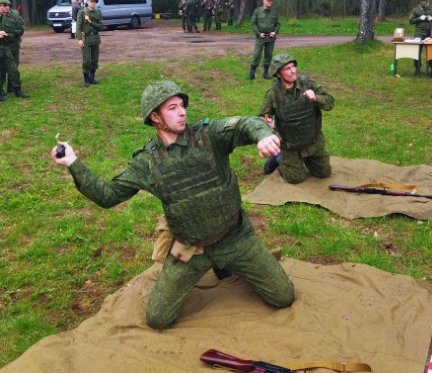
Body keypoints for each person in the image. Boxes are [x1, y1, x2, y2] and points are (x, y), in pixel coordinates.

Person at [51, 81, 295, 330]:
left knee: (284, 297)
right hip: (191, 248)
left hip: (236, 238)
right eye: (172, 108)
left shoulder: (208, 136)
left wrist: (263, 135)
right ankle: (221, 266)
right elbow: (108, 195)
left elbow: (245, 123)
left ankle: (228, 264)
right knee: (158, 319)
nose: (182, 112)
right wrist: (73, 163)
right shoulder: (146, 161)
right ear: (155, 117)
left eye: (182, 106)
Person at [258, 53, 334, 183]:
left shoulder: (308, 83)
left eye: (293, 67)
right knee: (295, 178)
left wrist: (316, 98)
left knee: (324, 173)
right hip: (290, 147)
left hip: (314, 143)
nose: (293, 71)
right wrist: (270, 122)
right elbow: (264, 115)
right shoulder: (273, 94)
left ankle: (307, 160)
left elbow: (330, 102)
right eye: (287, 69)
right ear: (278, 74)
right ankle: (278, 157)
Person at [1, 0, 27, 96]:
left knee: (14, 66)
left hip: (14, 44)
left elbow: (21, 28)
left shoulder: (15, 14)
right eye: (3, 5)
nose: (6, 7)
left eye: (8, 4)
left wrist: (12, 34)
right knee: (2, 68)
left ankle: (11, 86)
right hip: (2, 45)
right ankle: (0, 88)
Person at [408, 0, 432, 77]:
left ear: (428, 1)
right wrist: (419, 18)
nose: (424, 5)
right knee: (416, 52)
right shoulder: (416, 9)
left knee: (431, 52)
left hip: (430, 33)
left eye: (425, 3)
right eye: (423, 3)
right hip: (419, 33)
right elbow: (411, 21)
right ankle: (417, 69)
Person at [249, 0, 280, 80]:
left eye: (271, 1)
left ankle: (265, 73)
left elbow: (278, 24)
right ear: (264, 1)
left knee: (268, 54)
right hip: (261, 37)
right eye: (268, 1)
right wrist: (259, 33)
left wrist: (275, 32)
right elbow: (253, 23)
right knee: (257, 54)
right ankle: (252, 73)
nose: (270, 2)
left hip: (270, 38)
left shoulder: (274, 12)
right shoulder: (257, 11)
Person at [76, 0, 103, 87]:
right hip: (86, 39)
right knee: (87, 60)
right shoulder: (82, 12)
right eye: (91, 1)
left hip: (95, 38)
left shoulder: (98, 13)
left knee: (94, 60)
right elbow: (78, 27)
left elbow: (100, 26)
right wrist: (79, 39)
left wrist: (91, 21)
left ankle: (92, 77)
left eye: (94, 1)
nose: (93, 3)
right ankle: (86, 79)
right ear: (87, 2)